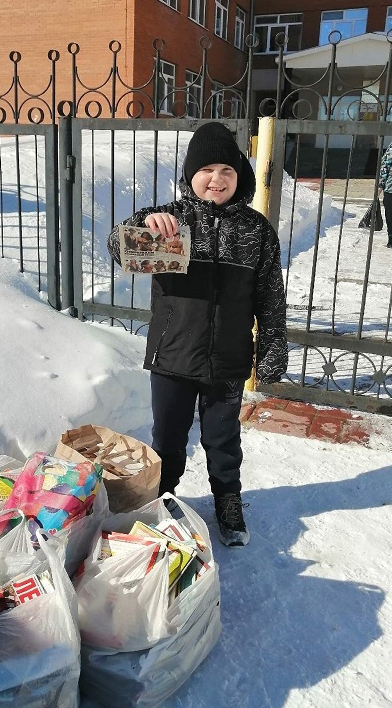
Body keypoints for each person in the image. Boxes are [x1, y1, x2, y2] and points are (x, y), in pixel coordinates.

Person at [108, 122, 287, 547]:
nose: (217, 179)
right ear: (191, 175)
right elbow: (118, 248)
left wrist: (273, 344)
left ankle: (227, 499)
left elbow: (270, 295)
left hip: (228, 358)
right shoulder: (170, 221)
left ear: (239, 175)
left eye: (227, 169)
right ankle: (162, 499)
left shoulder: (256, 231)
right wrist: (142, 222)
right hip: (173, 355)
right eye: (207, 169)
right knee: (167, 437)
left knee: (223, 439)